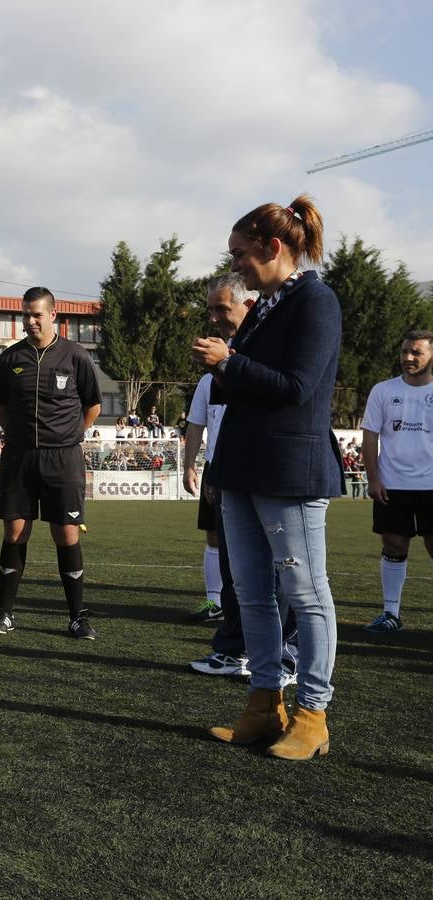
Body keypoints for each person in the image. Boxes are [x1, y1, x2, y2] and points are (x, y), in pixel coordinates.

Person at [195, 194, 343, 761]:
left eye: (240, 254)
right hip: (243, 468)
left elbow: (297, 387)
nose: (235, 265)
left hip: (290, 471)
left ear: (273, 248)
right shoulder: (264, 307)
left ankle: (312, 713)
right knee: (252, 595)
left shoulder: (316, 302)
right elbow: (246, 388)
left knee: (306, 596)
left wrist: (229, 362)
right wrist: (223, 367)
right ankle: (263, 705)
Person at [183, 276, 300, 681]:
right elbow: (214, 424)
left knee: (282, 572)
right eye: (211, 310)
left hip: (272, 475)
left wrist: (230, 364)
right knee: (237, 570)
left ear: (249, 306)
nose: (215, 319)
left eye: (223, 309)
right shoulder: (215, 371)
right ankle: (235, 649)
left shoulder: (266, 357)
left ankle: (287, 656)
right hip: (230, 475)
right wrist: (211, 470)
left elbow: (288, 396)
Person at [0, 286, 101, 639]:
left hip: (63, 458)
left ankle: (77, 616)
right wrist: (20, 435)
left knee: (65, 534)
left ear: (53, 314)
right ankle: (5, 613)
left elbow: (92, 405)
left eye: (37, 314)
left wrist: (68, 436)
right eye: (26, 315)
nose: (31, 321)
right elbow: (0, 407)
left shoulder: (75, 356)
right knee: (15, 532)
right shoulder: (10, 358)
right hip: (19, 456)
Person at [359, 331, 433, 634]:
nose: (408, 358)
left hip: (432, 486)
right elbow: (369, 436)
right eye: (404, 352)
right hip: (392, 484)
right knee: (393, 544)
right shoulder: (383, 390)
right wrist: (374, 479)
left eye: (416, 352)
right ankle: (391, 613)